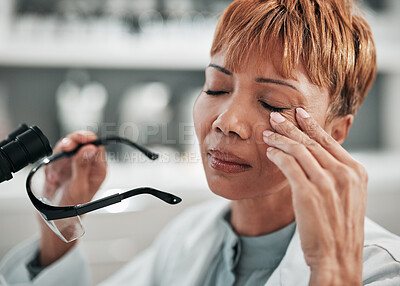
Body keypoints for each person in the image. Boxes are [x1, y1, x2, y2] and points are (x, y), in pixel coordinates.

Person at [1, 0, 400, 285]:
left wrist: (332, 270)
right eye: (216, 87)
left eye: (270, 102)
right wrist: (60, 221)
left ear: (334, 134)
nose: (226, 123)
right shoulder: (189, 238)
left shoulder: (378, 271)